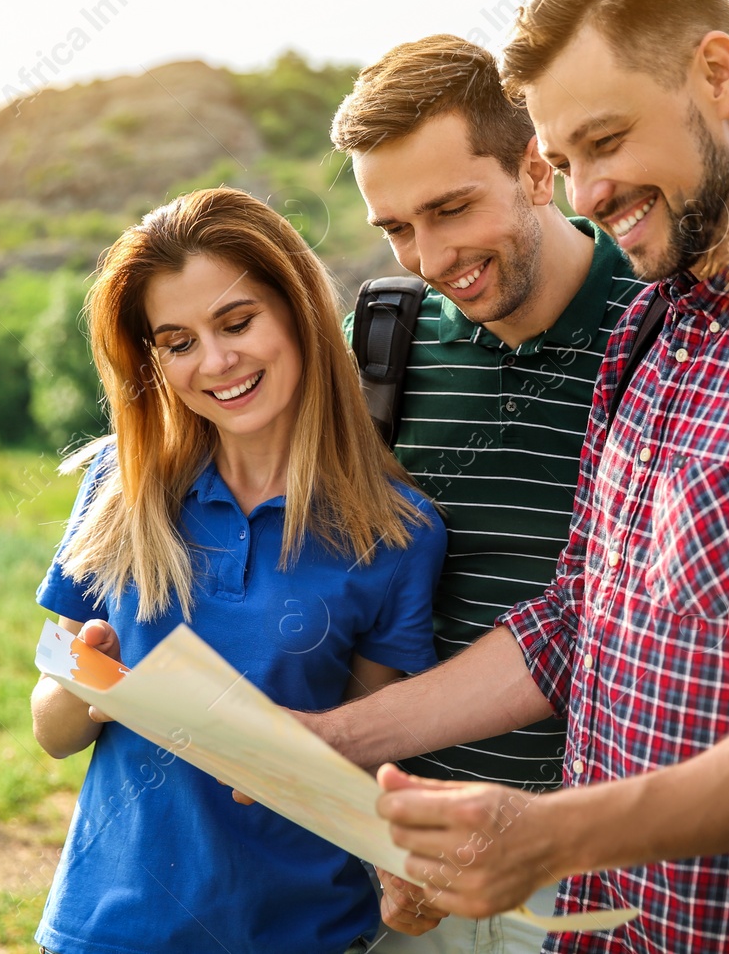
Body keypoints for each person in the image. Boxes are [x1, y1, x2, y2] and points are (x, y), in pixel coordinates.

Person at [297, 0, 729, 952]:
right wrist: (332, 742)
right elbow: (575, 612)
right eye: (572, 153)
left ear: (718, 75)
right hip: (602, 926)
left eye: (604, 140)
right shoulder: (653, 326)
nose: (587, 190)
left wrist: (546, 832)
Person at [28, 188, 446, 954]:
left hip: (303, 934)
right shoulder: (123, 490)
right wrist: (90, 687)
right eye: (178, 340)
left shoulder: (396, 532)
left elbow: (367, 752)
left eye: (237, 321)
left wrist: (401, 868)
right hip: (110, 927)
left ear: (297, 311)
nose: (216, 362)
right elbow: (52, 729)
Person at [331, 33, 646, 950]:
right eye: (395, 227)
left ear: (537, 167)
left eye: (451, 208)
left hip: (599, 868)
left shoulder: (662, 323)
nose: (428, 256)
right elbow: (354, 591)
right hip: (413, 853)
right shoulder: (382, 342)